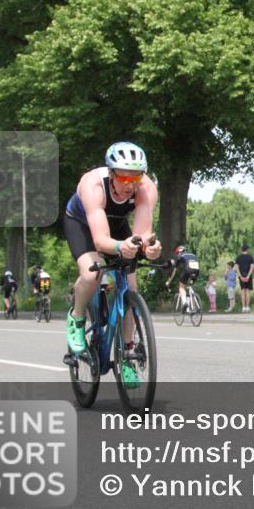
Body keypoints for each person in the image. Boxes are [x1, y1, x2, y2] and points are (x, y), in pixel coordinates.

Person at [63, 141, 162, 388]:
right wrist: (120, 247)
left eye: (136, 178)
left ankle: (127, 355)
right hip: (83, 224)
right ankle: (76, 318)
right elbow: (99, 240)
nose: (131, 185)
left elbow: (142, 234)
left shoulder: (146, 188)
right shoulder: (92, 184)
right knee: (91, 272)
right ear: (111, 173)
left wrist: (149, 248)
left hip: (117, 224)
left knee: (130, 285)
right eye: (124, 178)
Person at [165, 245, 200, 311]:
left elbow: (174, 271)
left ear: (178, 252)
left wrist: (169, 282)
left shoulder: (180, 256)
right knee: (191, 286)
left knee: (181, 287)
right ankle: (194, 307)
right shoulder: (193, 255)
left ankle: (185, 303)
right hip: (196, 271)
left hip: (188, 270)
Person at [234, 245, 254, 313]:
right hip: (248, 276)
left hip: (241, 276)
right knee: (248, 291)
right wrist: (248, 276)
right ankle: (247, 307)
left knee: (243, 291)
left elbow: (237, 268)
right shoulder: (250, 257)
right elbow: (252, 267)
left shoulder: (238, 257)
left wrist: (240, 276)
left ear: (241, 249)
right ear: (247, 249)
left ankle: (243, 307)